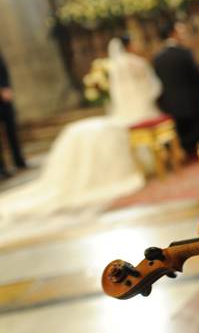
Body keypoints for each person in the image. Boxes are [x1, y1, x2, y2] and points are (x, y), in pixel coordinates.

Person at [0, 37, 161, 228]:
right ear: (129, 46)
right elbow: (153, 87)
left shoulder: (115, 66)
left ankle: (13, 163)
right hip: (140, 110)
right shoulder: (136, 63)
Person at [153, 21, 199, 155]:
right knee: (198, 137)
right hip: (191, 102)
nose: (183, 35)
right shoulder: (184, 53)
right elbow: (196, 76)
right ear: (173, 33)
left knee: (183, 135)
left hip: (171, 105)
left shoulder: (157, 58)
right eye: (180, 32)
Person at [0, 51, 27, 178]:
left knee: (11, 128)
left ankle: (19, 161)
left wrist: (5, 87)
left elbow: (2, 67)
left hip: (3, 96)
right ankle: (2, 169)